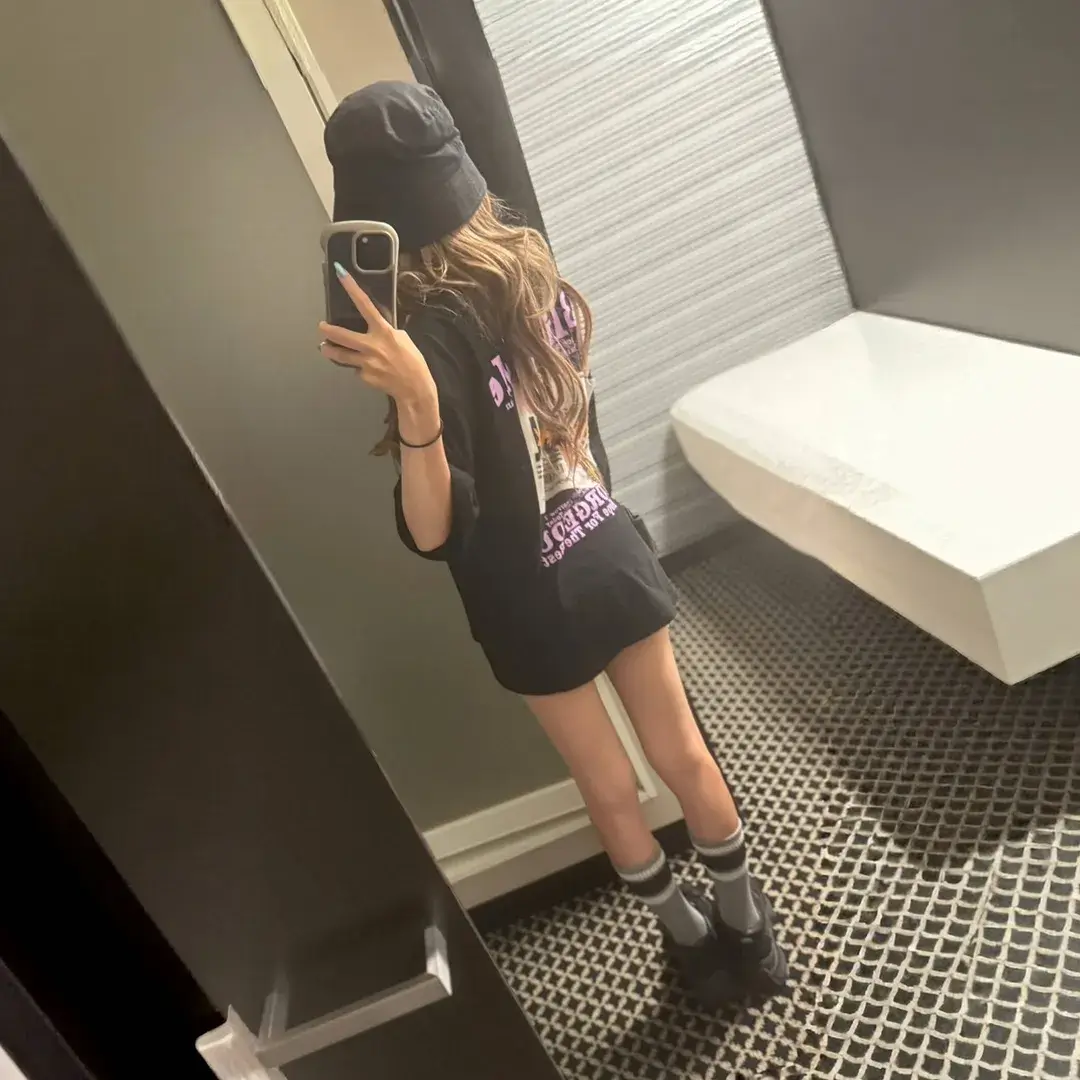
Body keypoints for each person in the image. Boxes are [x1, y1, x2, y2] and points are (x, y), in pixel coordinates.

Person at [318, 81, 787, 1007]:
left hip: (524, 600)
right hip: (606, 544)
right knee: (684, 755)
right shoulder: (530, 267)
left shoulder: (424, 337)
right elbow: (576, 423)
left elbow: (432, 530)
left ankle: (691, 944)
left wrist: (416, 402)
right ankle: (750, 933)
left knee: (607, 788)